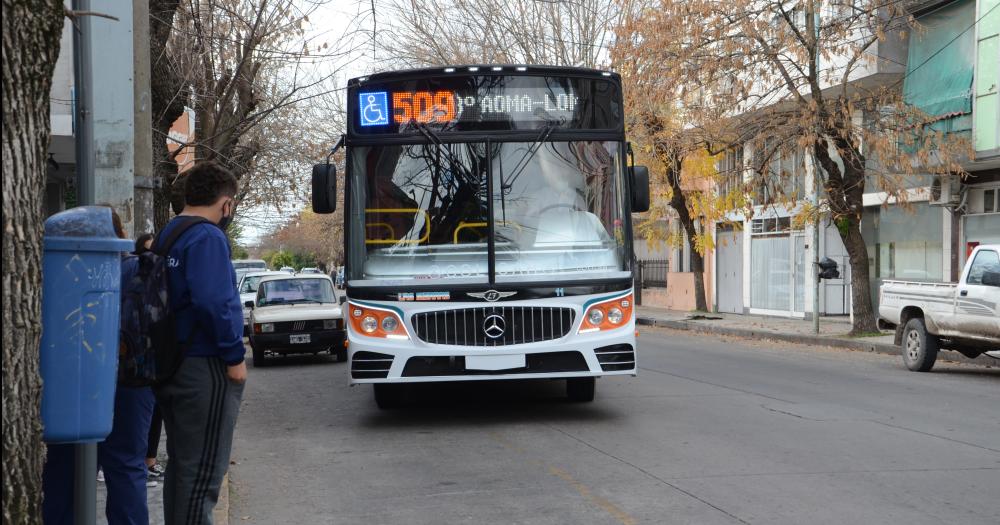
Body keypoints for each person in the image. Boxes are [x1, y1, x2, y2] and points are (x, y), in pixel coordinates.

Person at [42, 206, 156, 525]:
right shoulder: (138, 271)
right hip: (133, 379)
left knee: (66, 463)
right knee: (125, 464)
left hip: (73, 380)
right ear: (121, 237)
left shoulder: (59, 269)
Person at [153, 162, 247, 525]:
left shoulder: (169, 233)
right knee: (203, 472)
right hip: (203, 367)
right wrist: (235, 357)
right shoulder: (207, 237)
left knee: (181, 467)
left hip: (170, 362)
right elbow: (213, 301)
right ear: (225, 203)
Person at [135, 231, 167, 483]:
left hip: (156, 361)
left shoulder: (160, 282)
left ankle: (150, 460)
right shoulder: (133, 280)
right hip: (134, 364)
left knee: (156, 414)